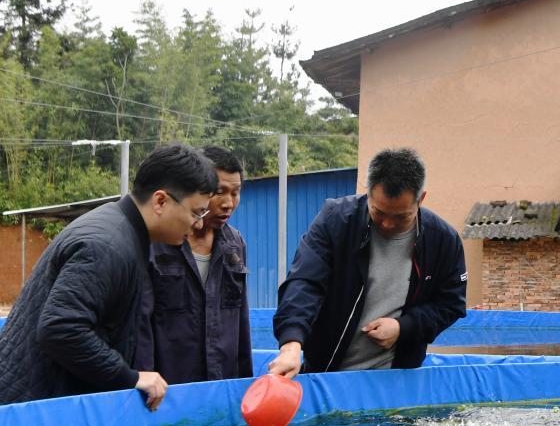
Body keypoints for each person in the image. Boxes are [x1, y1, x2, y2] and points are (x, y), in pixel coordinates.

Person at [0, 144, 218, 409]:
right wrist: (129, 377)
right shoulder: (107, 245)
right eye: (196, 212)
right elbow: (61, 329)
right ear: (160, 201)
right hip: (29, 415)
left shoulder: (121, 231)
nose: (197, 224)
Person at [269, 148, 466, 377]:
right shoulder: (336, 221)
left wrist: (405, 327)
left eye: (401, 216)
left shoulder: (443, 240)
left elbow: (451, 304)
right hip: (327, 376)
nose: (388, 225)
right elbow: (304, 283)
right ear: (368, 192)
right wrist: (291, 344)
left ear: (421, 199)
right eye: (379, 212)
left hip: (398, 380)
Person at [136, 146, 252, 384]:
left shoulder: (235, 245)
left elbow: (241, 325)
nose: (229, 203)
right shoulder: (157, 241)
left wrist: (244, 388)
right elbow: (140, 325)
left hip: (222, 389)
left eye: (236, 193)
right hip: (167, 392)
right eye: (220, 192)